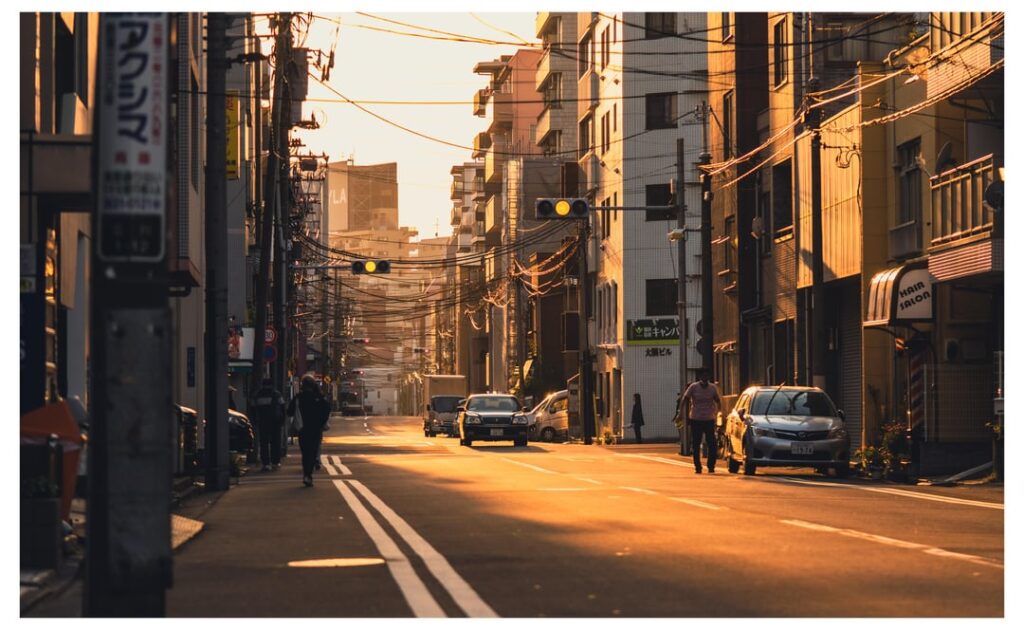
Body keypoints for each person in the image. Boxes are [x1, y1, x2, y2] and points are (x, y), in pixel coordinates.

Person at [288, 375, 331, 487]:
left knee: (305, 452)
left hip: (303, 429)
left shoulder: (299, 397)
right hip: (316, 429)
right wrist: (321, 423)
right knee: (312, 451)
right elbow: (327, 410)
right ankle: (308, 474)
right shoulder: (320, 397)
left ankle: (307, 474)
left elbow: (289, 411)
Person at [681, 369, 722, 474]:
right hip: (696, 418)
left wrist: (719, 412)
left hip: (709, 419)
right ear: (700, 376)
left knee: (712, 443)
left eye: (706, 375)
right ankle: (697, 466)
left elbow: (718, 400)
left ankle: (711, 466)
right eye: (703, 375)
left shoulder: (712, 387)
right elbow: (685, 399)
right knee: (696, 443)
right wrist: (682, 412)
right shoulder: (693, 387)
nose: (705, 377)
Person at [250, 378, 285, 472]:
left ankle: (266, 463)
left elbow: (252, 409)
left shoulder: (257, 395)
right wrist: (282, 420)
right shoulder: (276, 394)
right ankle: (275, 462)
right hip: (275, 422)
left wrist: (254, 421)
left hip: (263, 422)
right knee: (275, 442)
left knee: (264, 443)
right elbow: (282, 407)